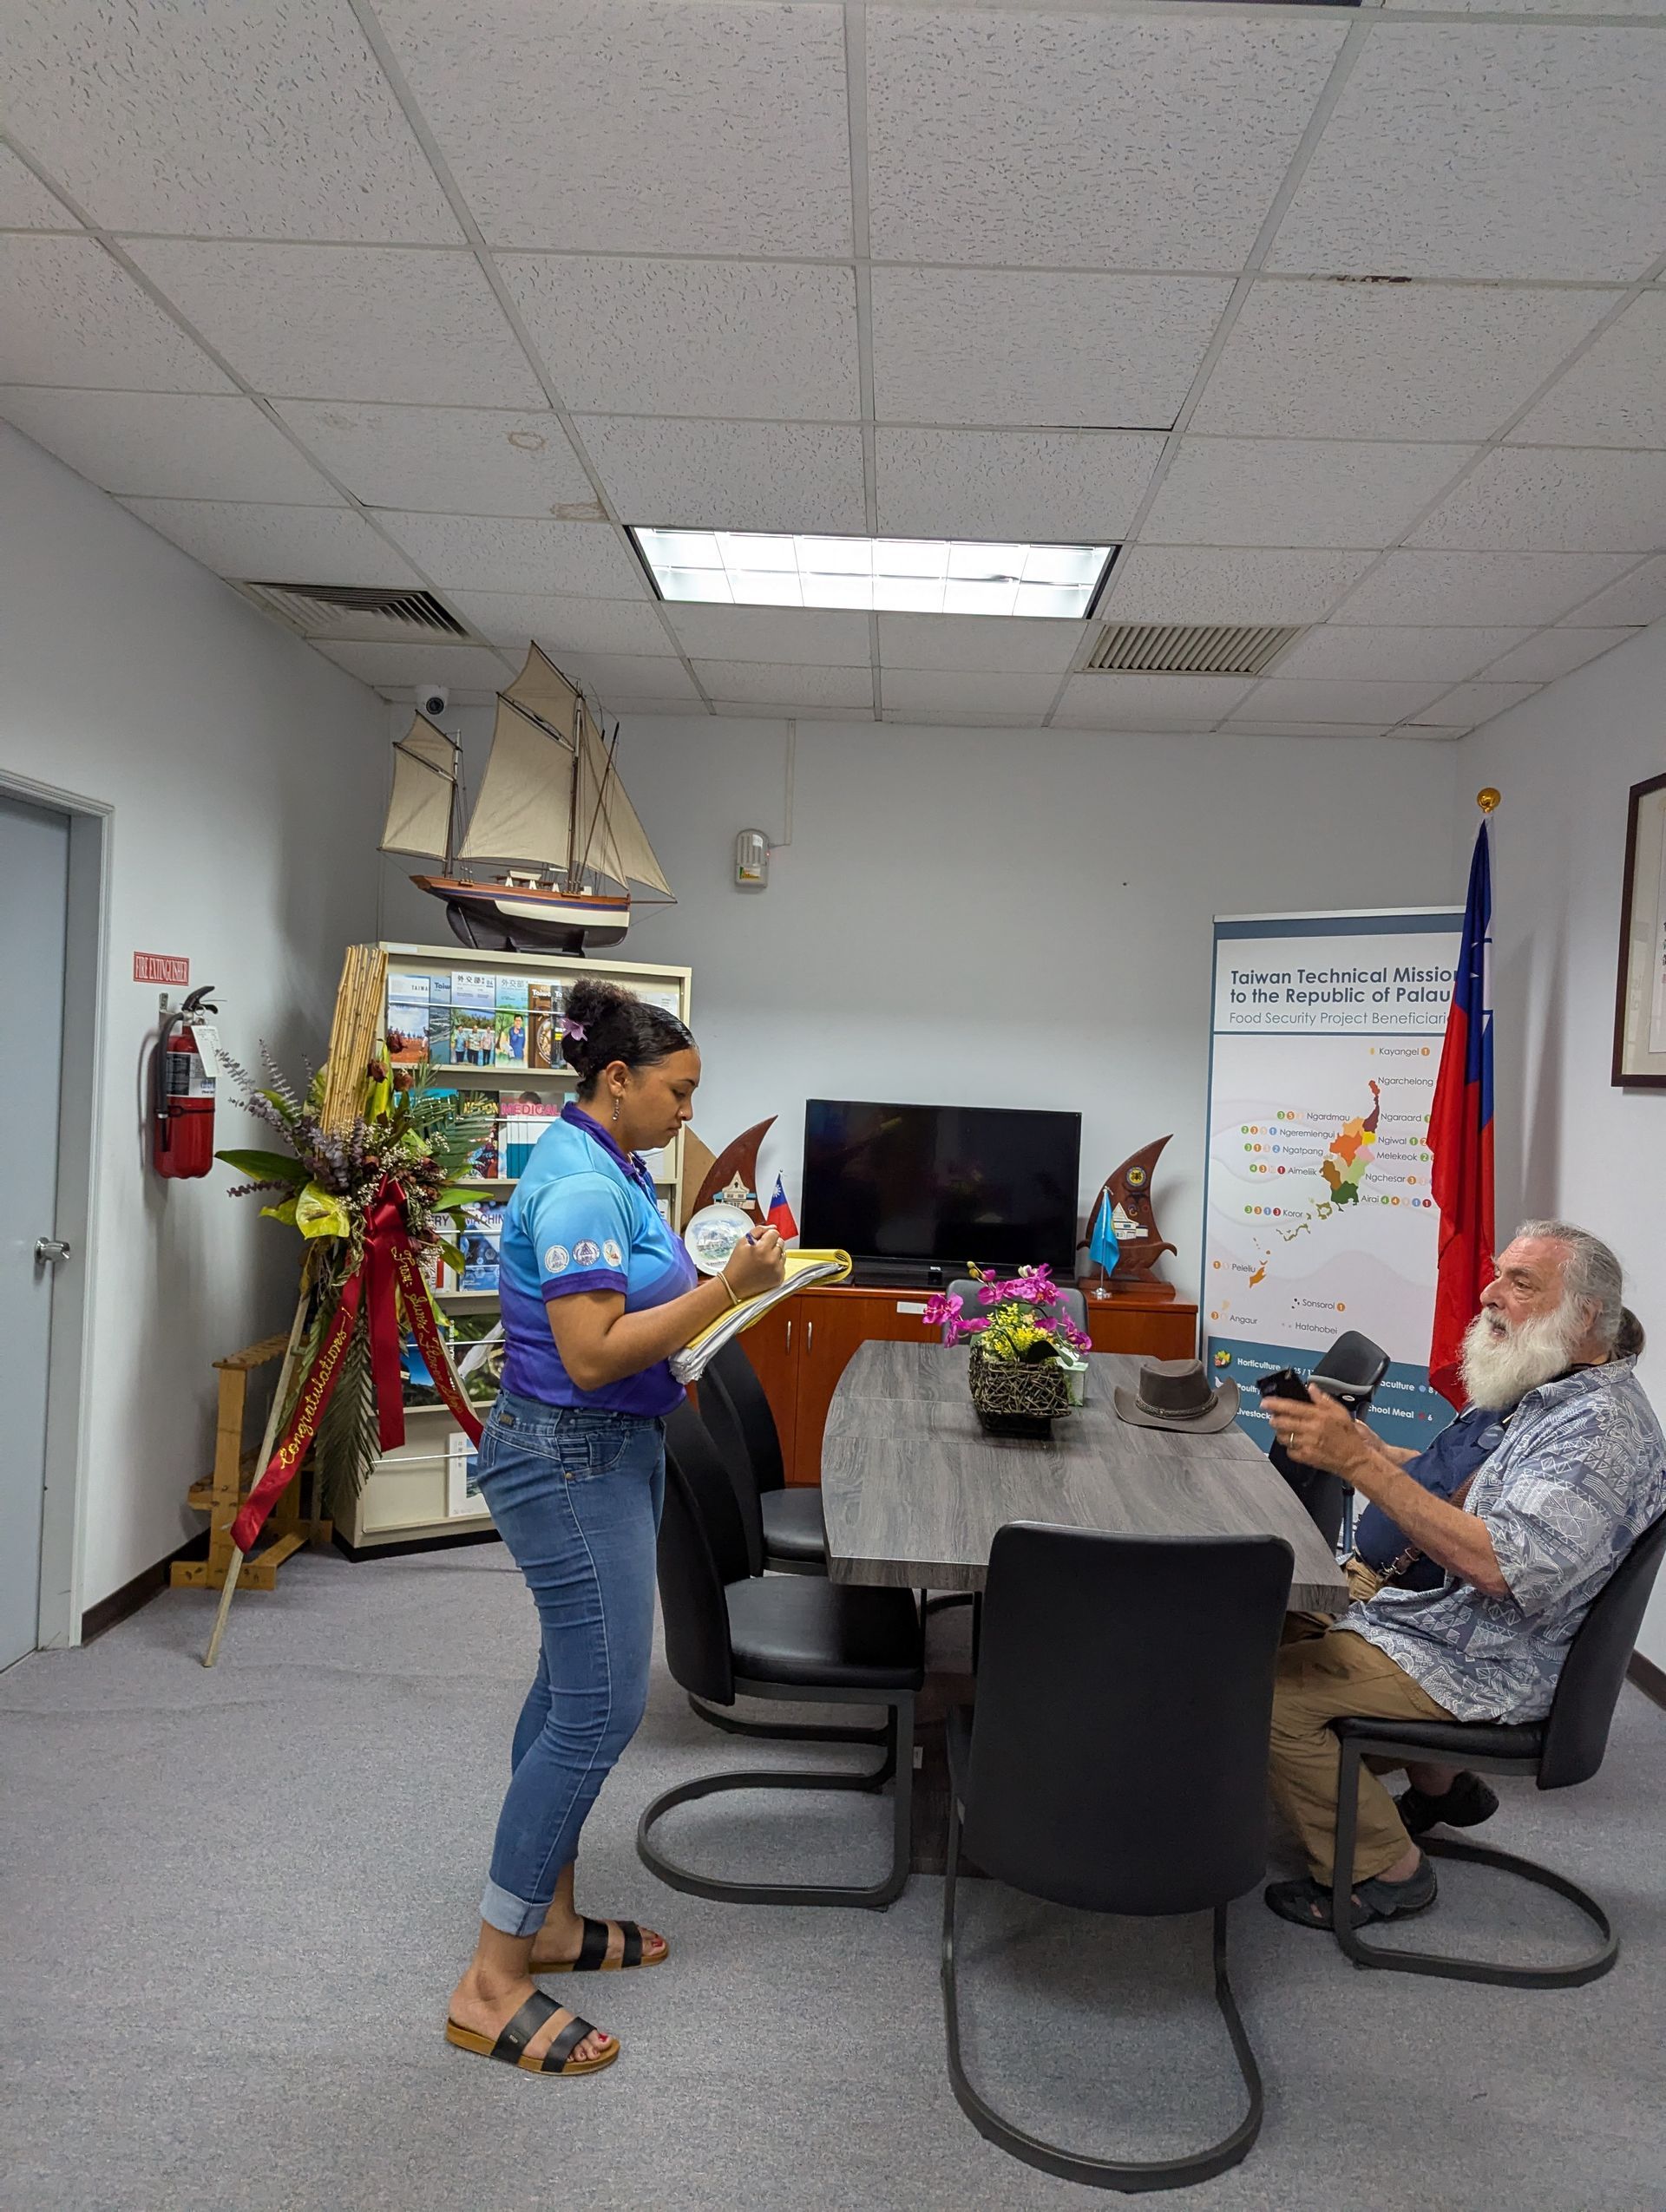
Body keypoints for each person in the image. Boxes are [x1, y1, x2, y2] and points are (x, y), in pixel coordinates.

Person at [445, 979, 785, 2076]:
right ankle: (492, 1981)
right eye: (680, 1092)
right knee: (599, 1712)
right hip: (570, 1454)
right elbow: (593, 1353)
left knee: (564, 1691)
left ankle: (545, 1919)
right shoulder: (585, 1188)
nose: (691, 1110)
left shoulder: (613, 1164)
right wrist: (728, 1288)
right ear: (619, 1081)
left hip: (602, 1449)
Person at [1262, 1221, 1665, 1933]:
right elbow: (1485, 1487)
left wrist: (1360, 1468)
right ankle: (1438, 1785)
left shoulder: (1599, 1432)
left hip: (1490, 1658)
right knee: (1256, 1624)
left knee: (1267, 1697)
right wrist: (1374, 1448)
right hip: (1449, 1620)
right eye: (1498, 1272)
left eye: (1521, 1282)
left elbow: (1499, 1566)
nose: (1490, 1293)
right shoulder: (1551, 1383)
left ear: (1584, 1314)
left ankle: (1388, 1871)